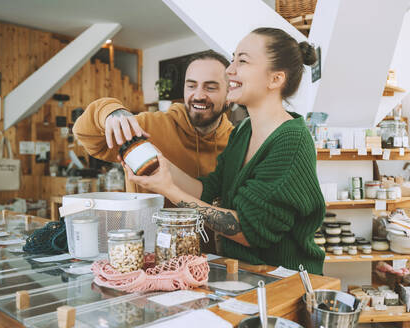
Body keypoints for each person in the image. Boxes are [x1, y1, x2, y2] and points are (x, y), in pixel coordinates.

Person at [122, 27, 326, 273]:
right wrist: (160, 163)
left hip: (285, 280)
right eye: (232, 59)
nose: (230, 70)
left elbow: (249, 230)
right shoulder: (243, 131)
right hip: (242, 275)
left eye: (242, 61)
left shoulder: (291, 140)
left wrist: (169, 190)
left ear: (276, 79)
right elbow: (209, 191)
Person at [73, 50, 234, 193]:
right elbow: (85, 134)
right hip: (145, 227)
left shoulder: (238, 142)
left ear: (229, 95)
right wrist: (109, 111)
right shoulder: (147, 127)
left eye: (210, 88)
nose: (198, 95)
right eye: (191, 86)